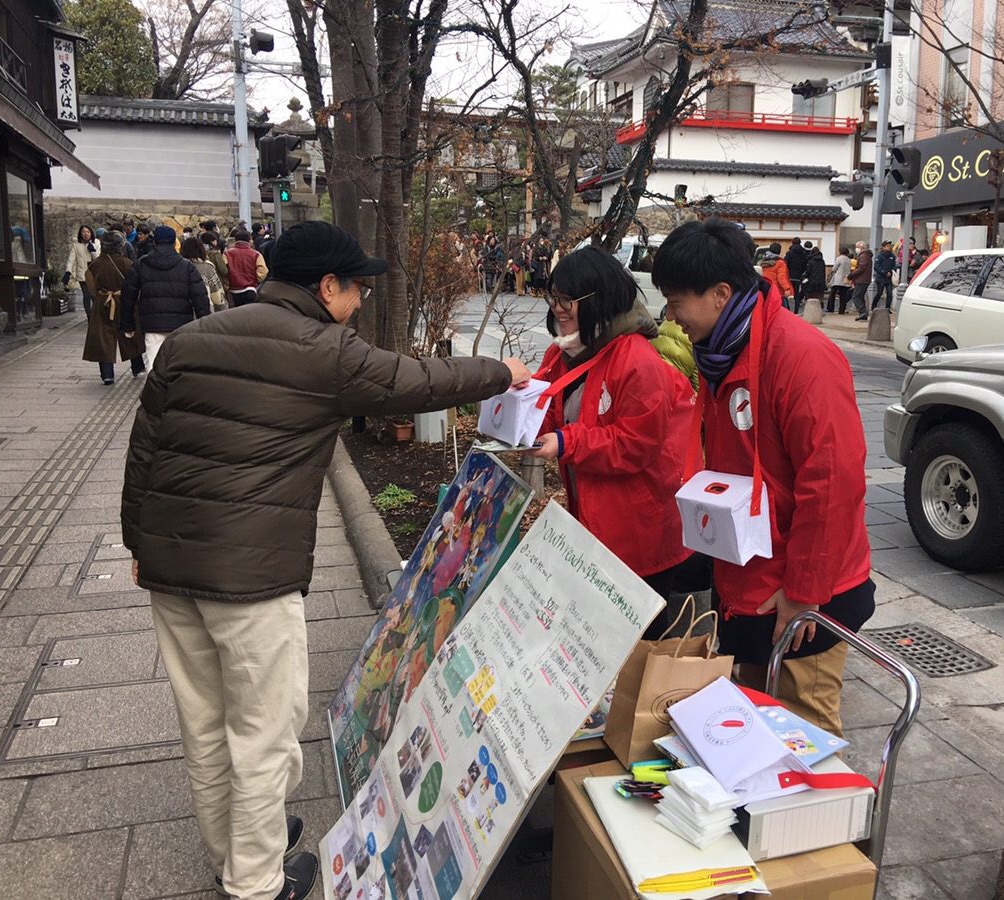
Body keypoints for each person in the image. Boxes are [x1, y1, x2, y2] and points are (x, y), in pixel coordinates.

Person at [122, 221, 530, 900]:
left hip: (168, 564)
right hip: (250, 579)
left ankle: (233, 848)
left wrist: (137, 541)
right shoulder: (325, 349)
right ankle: (253, 883)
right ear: (326, 287)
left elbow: (145, 447)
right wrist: (504, 372)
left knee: (205, 721)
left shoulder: (192, 341)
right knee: (263, 732)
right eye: (357, 289)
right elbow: (421, 382)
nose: (362, 302)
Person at [651, 217, 873, 736]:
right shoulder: (721, 355)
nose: (671, 316)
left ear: (720, 294)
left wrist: (804, 591)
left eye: (677, 301)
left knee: (804, 734)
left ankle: (814, 821)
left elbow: (833, 482)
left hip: (804, 592)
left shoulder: (800, 357)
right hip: (749, 576)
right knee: (748, 728)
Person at [526, 246, 695, 638]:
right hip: (597, 522)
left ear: (598, 297)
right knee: (602, 637)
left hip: (640, 530)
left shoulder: (637, 361)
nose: (558, 309)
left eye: (567, 299)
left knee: (638, 641)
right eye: (554, 297)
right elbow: (548, 411)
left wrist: (567, 443)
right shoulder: (564, 352)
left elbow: (635, 445)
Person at [120, 225, 211, 364]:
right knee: (178, 362)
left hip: (152, 322)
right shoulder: (186, 266)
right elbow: (200, 297)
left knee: (153, 362)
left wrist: (128, 324)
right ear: (175, 242)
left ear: (154, 241)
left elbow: (128, 296)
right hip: (181, 322)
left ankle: (154, 385)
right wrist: (204, 324)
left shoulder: (141, 264)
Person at [83, 231, 146, 384]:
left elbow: (91, 287)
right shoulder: (128, 263)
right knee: (130, 333)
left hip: (103, 302)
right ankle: (137, 367)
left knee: (104, 338)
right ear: (120, 246)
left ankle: (107, 374)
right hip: (124, 301)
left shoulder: (94, 265)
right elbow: (136, 285)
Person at [181, 236, 228, 312]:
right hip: (206, 310)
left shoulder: (180, 266)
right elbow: (216, 291)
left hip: (184, 311)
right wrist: (222, 308)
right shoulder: (207, 266)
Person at [223, 229, 268, 306]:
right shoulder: (256, 254)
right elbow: (263, 271)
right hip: (250, 288)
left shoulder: (227, 253)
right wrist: (255, 279)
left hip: (233, 289)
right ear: (249, 240)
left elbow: (224, 270)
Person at [64, 224, 100, 315]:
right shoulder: (76, 246)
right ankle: (89, 316)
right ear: (80, 234)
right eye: (83, 232)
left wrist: (93, 251)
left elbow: (98, 260)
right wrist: (68, 272)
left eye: (88, 232)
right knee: (86, 296)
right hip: (83, 275)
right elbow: (71, 260)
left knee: (94, 296)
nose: (86, 234)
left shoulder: (97, 243)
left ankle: (96, 315)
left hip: (94, 275)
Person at [758, 243, 794, 309]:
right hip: (777, 291)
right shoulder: (780, 263)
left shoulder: (764, 262)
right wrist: (787, 288)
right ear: (779, 251)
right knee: (782, 310)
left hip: (766, 289)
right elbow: (781, 277)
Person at [783, 237, 807, 312]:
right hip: (798, 276)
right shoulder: (803, 254)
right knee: (796, 294)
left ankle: (787, 310)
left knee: (786, 293)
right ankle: (796, 310)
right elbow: (805, 265)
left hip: (789, 275)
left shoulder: (789, 253)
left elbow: (785, 263)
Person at [871, 240, 897, 311]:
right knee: (879, 293)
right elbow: (877, 267)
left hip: (889, 278)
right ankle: (873, 306)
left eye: (889, 246)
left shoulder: (892, 256)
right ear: (883, 247)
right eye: (887, 246)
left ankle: (887, 308)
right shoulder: (879, 256)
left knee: (889, 293)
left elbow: (894, 266)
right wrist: (885, 272)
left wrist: (891, 272)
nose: (889, 247)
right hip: (881, 278)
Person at [851, 241, 873, 321]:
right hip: (864, 279)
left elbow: (861, 268)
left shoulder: (863, 256)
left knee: (856, 296)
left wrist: (852, 274)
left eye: (857, 247)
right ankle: (863, 313)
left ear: (861, 247)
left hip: (861, 279)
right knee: (860, 296)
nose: (856, 249)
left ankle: (862, 312)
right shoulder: (867, 255)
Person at [828, 247, 852, 314]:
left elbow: (834, 269)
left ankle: (831, 308)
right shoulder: (849, 260)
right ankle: (842, 310)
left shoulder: (839, 258)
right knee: (843, 295)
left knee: (832, 294)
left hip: (838, 279)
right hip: (845, 279)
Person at [802, 241, 827, 307]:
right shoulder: (822, 261)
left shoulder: (811, 261)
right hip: (821, 281)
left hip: (812, 281)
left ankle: (811, 309)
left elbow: (808, 271)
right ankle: (820, 308)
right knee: (819, 296)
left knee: (811, 296)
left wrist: (805, 277)